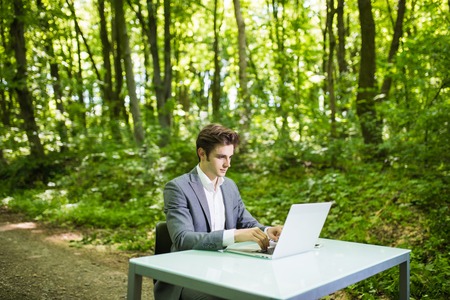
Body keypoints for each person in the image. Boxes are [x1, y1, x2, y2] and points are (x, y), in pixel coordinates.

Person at [153, 123, 283, 300]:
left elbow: (247, 223)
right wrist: (235, 235)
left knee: (266, 289)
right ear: (202, 153)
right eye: (221, 157)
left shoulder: (229, 186)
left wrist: (268, 231)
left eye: (230, 157)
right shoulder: (178, 188)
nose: (228, 164)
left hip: (225, 271)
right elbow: (183, 239)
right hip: (186, 277)